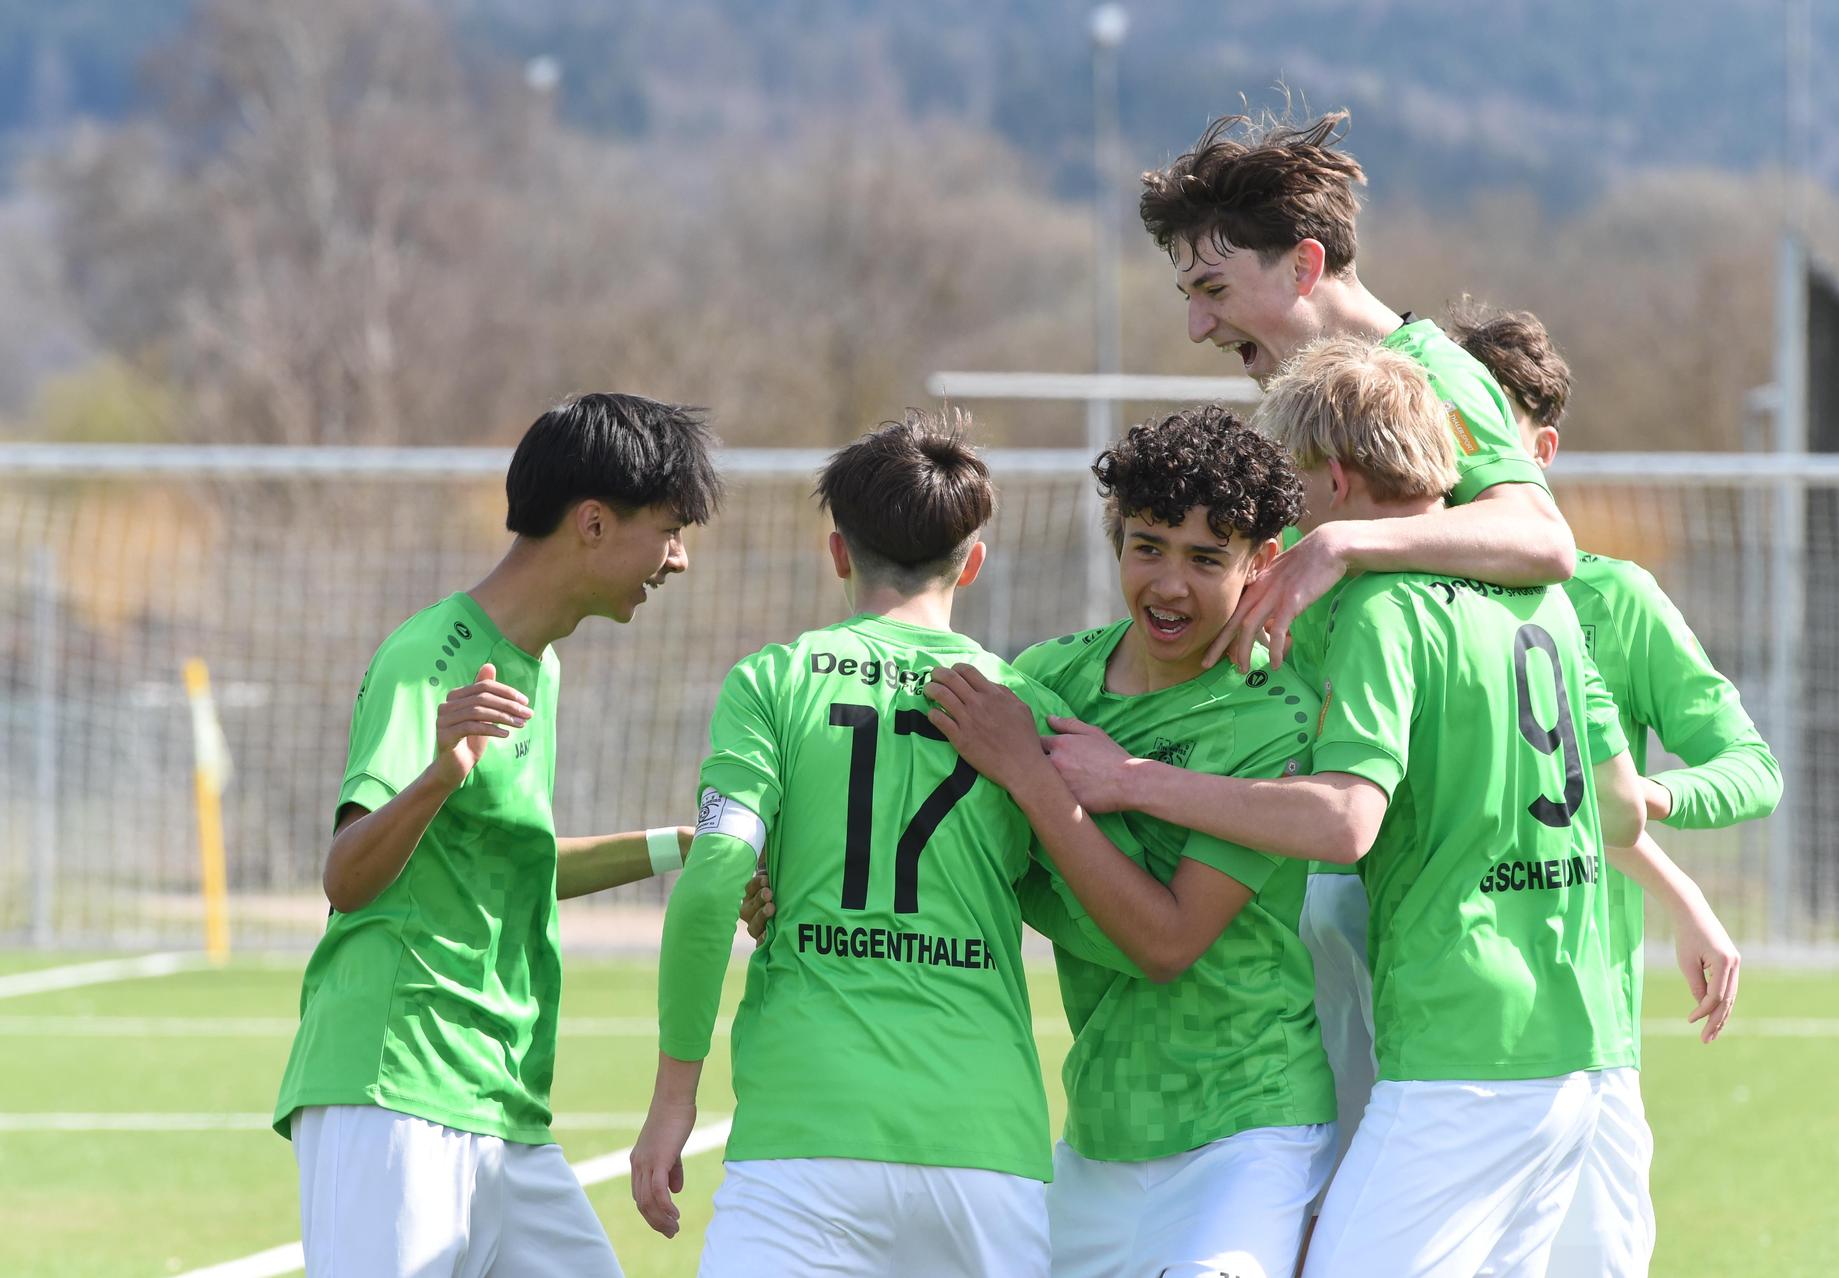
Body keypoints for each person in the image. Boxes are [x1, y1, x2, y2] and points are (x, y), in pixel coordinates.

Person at [1039, 336, 1732, 1275]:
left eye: (1296, 476)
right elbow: (1615, 809)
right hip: (1581, 1038)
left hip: (1461, 1041)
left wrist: (1132, 779)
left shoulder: (1383, 609)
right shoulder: (1544, 601)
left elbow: (1344, 821)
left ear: (1334, 476)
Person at [1139, 108, 1581, 1164]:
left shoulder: (1429, 371)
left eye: (1213, 289)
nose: (1197, 326)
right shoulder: (1314, 408)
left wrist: (1343, 544)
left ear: (1303, 266)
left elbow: (1543, 538)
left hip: (1426, 880)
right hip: (1351, 863)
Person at [272, 392, 721, 1277]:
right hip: (395, 1089)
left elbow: (513, 862)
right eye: (669, 532)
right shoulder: (432, 656)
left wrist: (679, 845)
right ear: (593, 523)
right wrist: (440, 774)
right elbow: (347, 877)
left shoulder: (537, 670)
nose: (679, 559)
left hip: (499, 1102)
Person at [631, 410, 1078, 1277]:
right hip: (983, 1143)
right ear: (972, 563)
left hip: (805, 1136)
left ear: (838, 553)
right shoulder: (1021, 703)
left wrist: (675, 1095)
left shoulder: (772, 681)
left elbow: (715, 876)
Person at [925, 404, 1338, 1277]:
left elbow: (1166, 941)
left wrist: (1036, 779)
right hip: (1101, 1129)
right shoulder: (1048, 678)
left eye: (1206, 559)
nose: (1169, 585)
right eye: (1149, 546)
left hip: (1247, 1126)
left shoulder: (1274, 716)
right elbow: (962, 855)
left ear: (1262, 563)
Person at [1448, 302, 1771, 1276]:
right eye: (1442, 422)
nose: (1459, 454)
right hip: (1417, 1035)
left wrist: (1648, 804)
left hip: (1580, 1040)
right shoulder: (1382, 600)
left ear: (1539, 452)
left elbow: (1749, 766)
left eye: (1486, 429)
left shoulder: (1615, 600)